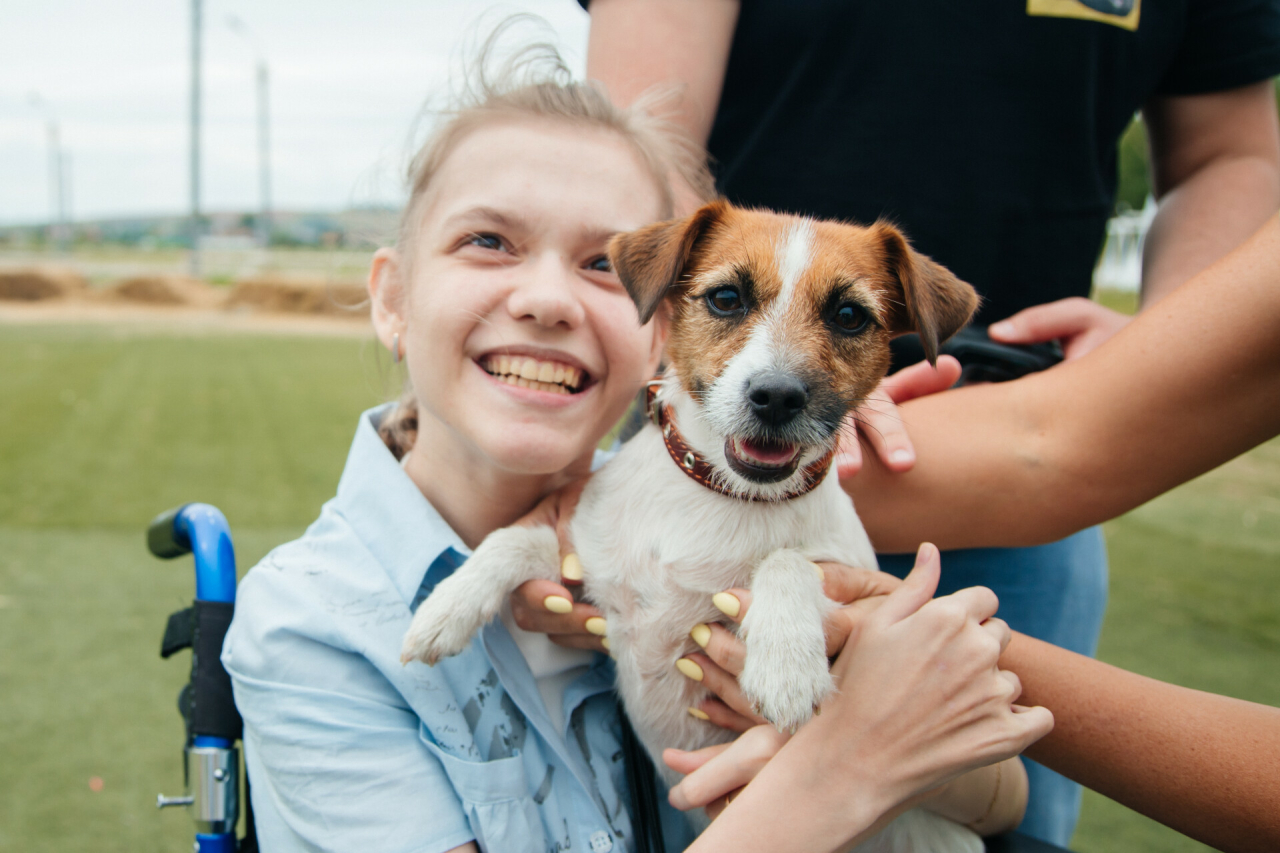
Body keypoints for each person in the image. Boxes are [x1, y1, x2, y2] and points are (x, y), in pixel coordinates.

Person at [220, 37, 1039, 853]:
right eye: (489, 240)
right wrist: (842, 774)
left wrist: (891, 722)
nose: (545, 299)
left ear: (654, 327)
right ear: (392, 298)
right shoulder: (309, 626)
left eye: (599, 264)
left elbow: (998, 799)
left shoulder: (621, 513)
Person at [569, 1, 1280, 842]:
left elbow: (1228, 148)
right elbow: (641, 138)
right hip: (708, 463)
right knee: (674, 800)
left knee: (990, 820)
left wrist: (1165, 340)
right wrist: (776, 346)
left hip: (1041, 472)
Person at [646, 214, 1280, 853]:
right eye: (727, 299)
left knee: (1001, 809)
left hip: (1022, 445)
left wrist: (1161, 332)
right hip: (933, 445)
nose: (780, 371)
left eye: (848, 318)